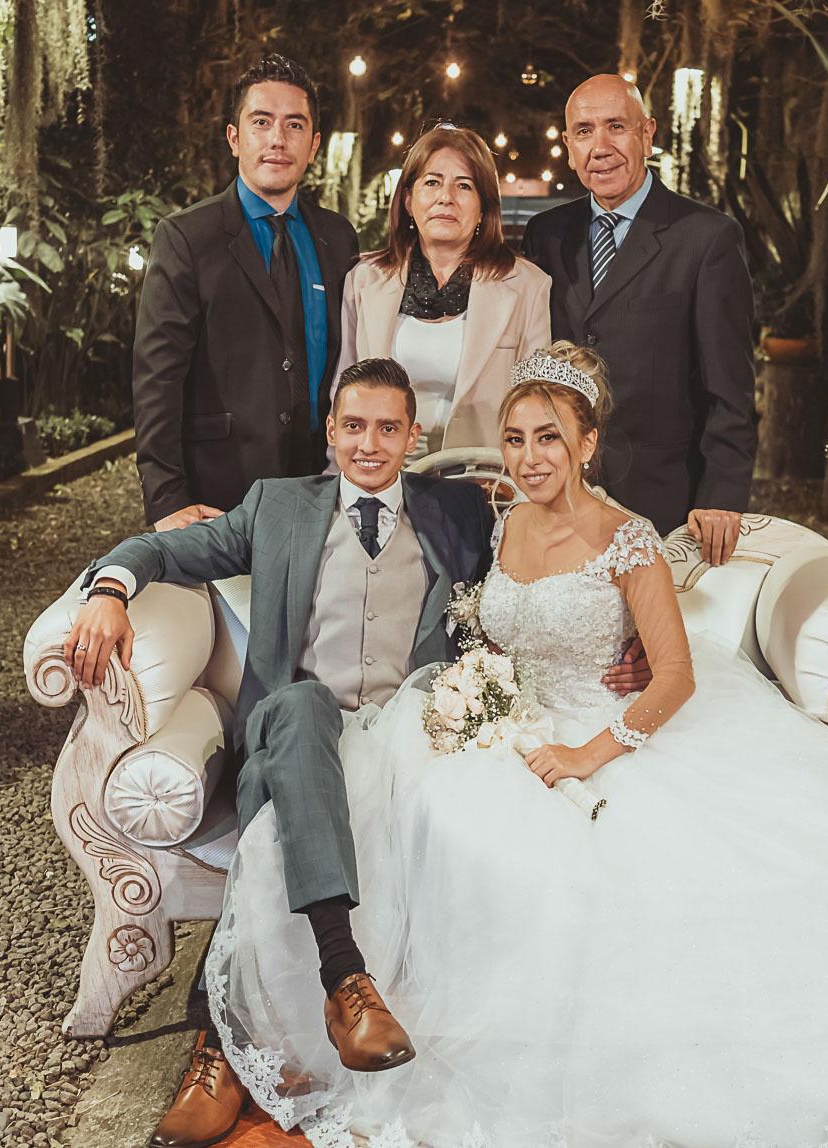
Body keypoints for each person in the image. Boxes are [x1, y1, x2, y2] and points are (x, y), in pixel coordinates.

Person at [204, 343, 828, 1147]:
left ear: (587, 443)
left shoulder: (627, 537)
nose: (529, 458)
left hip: (608, 736)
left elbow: (674, 676)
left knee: (601, 875)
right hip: (514, 729)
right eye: (516, 439)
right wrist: (479, 698)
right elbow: (477, 628)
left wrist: (588, 753)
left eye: (549, 438)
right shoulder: (501, 525)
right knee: (428, 818)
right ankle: (350, 1005)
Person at [64, 357, 649, 1148]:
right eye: (352, 427)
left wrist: (630, 637)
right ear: (330, 432)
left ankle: (224, 1042)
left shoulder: (460, 512)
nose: (368, 444)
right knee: (301, 705)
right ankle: (342, 983)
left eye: (386, 428)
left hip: (408, 742)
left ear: (413, 437)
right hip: (291, 736)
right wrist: (109, 591)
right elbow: (163, 550)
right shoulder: (276, 506)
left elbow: (561, 564)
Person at [523, 74, 757, 566]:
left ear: (647, 134)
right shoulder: (546, 235)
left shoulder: (707, 238)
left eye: (616, 127)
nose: (600, 147)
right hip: (558, 495)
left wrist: (722, 494)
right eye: (584, 131)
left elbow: (730, 386)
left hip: (662, 502)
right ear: (569, 148)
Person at [133, 53, 359, 531]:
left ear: (314, 145)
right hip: (217, 492)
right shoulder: (187, 237)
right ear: (235, 138)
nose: (278, 139)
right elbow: (158, 377)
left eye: (295, 125)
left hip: (322, 488)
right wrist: (167, 497)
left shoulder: (337, 238)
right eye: (261, 122)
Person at [331, 124, 550, 463]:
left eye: (464, 185)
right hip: (384, 474)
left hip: (484, 476)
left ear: (483, 206)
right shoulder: (364, 280)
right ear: (408, 200)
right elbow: (342, 393)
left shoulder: (527, 285)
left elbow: (538, 406)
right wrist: (337, 474)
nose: (446, 197)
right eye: (432, 182)